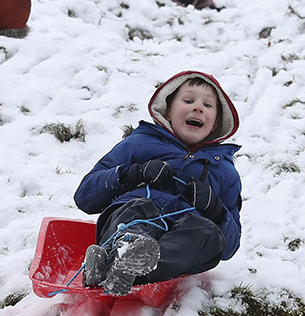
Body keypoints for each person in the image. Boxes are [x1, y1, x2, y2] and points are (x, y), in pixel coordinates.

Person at [73, 71, 243, 296]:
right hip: (133, 219)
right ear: (168, 112)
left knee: (208, 234)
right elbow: (85, 195)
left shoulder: (224, 172)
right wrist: (132, 174)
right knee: (138, 206)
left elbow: (229, 246)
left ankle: (122, 267)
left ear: (215, 124)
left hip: (178, 240)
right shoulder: (140, 144)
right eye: (188, 100)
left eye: (208, 105)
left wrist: (215, 209)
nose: (198, 107)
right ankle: (122, 251)